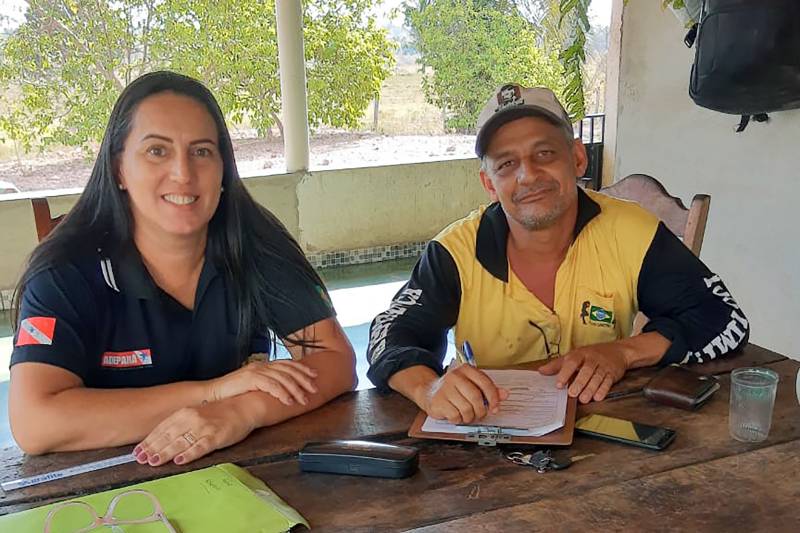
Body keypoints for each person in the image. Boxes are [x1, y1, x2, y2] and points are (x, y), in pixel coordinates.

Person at [9, 71, 356, 465]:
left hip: (235, 470)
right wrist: (212, 393)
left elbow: (337, 361)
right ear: (119, 168)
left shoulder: (252, 243)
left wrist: (241, 411)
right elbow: (35, 422)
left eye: (202, 151)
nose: (183, 174)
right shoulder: (67, 271)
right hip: (105, 488)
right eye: (157, 150)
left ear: (224, 170)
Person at [367, 84, 748, 425]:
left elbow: (724, 320)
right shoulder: (455, 251)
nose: (528, 175)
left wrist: (623, 352)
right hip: (485, 441)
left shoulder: (633, 232)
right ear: (489, 183)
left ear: (577, 158)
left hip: (608, 426)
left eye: (544, 153)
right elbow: (390, 335)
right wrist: (429, 390)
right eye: (506, 164)